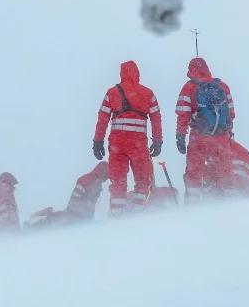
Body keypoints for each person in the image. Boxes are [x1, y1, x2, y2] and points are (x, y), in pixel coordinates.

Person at [92, 61, 163, 215]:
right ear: (137, 73)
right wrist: (157, 140)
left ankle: (117, 214)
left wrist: (97, 141)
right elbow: (156, 118)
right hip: (138, 143)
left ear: (121, 73)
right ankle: (137, 211)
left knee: (118, 180)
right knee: (143, 178)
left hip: (118, 143)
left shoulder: (112, 92)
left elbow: (102, 118)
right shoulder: (147, 93)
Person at [174, 57, 235, 201]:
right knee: (224, 169)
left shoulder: (189, 87)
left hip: (199, 136)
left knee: (194, 170)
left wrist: (180, 135)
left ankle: (193, 202)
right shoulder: (222, 86)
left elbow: (183, 114)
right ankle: (230, 201)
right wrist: (228, 131)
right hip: (221, 136)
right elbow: (231, 113)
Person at [25, 161, 109, 229]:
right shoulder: (88, 180)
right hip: (75, 214)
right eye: (107, 175)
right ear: (103, 172)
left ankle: (33, 225)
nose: (107, 178)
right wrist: (80, 213)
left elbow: (90, 201)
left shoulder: (96, 182)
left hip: (78, 214)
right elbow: (77, 197)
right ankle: (31, 227)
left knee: (55, 221)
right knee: (55, 222)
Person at [0, 172, 21, 237]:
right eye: (10, 185)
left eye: (12, 186)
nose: (12, 188)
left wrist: (18, 232)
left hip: (11, 236)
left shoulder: (11, 198)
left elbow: (15, 218)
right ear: (4, 185)